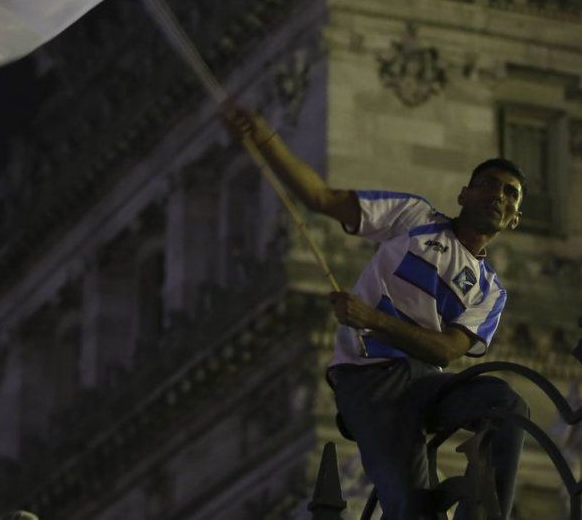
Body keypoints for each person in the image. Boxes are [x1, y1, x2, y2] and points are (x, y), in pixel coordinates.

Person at [223, 103, 529, 520]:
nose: (498, 195)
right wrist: (264, 138)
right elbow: (321, 198)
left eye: (510, 194)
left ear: (514, 219)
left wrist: (372, 320)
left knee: (508, 406)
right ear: (464, 194)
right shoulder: (414, 217)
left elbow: (446, 351)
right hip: (369, 381)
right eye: (489, 184)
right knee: (412, 509)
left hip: (425, 381)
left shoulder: (491, 291)